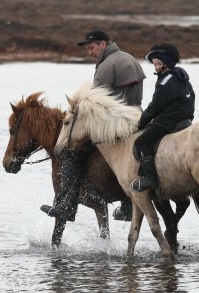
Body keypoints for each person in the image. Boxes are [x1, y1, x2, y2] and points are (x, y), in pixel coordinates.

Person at [40, 29, 145, 222]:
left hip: (114, 121)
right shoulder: (130, 58)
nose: (89, 52)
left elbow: (95, 103)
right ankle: (128, 205)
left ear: (103, 44)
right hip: (135, 117)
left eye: (91, 48)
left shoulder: (106, 65)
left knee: (73, 153)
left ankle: (68, 205)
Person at [131, 43, 195, 192]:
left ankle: (150, 178)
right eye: (154, 64)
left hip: (167, 122)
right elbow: (192, 98)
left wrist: (141, 123)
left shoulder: (165, 82)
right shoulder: (182, 77)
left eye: (159, 63)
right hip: (184, 120)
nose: (156, 67)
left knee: (141, 142)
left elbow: (155, 106)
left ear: (168, 62)